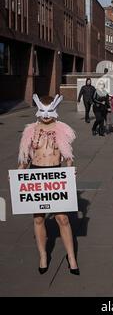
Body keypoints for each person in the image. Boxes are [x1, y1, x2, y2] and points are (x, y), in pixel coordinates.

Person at [17, 94, 79, 275]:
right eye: (42, 111)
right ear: (37, 111)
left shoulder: (62, 129)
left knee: (63, 218)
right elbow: (24, 157)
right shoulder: (31, 130)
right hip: (36, 175)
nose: (45, 115)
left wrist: (70, 171)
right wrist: (19, 174)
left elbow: (68, 156)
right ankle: (43, 255)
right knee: (38, 218)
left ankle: (71, 257)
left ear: (56, 110)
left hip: (55, 176)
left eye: (49, 110)